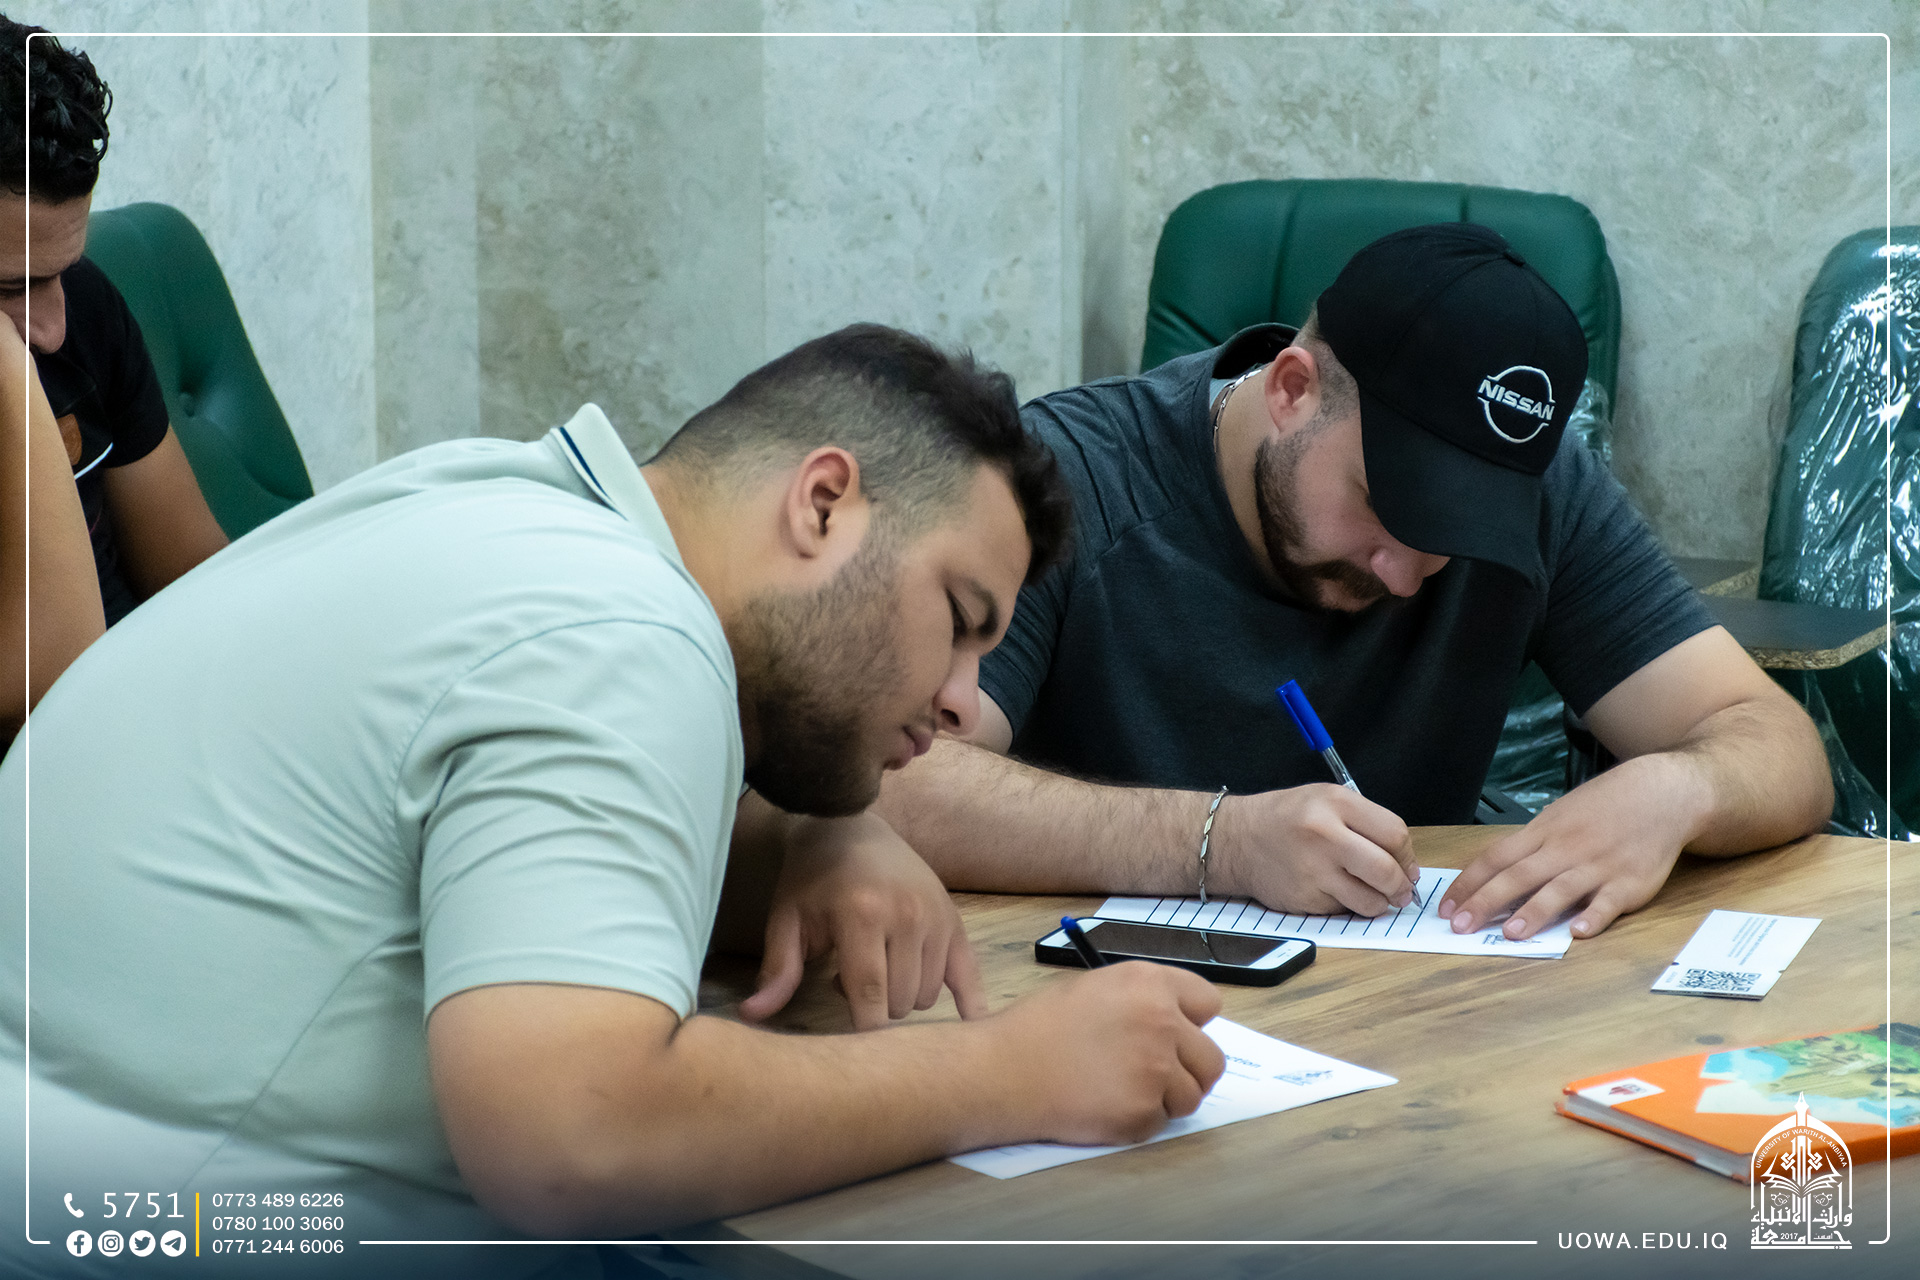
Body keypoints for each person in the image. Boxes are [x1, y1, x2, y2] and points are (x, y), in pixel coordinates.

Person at [0, 324, 1225, 1279]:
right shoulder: (623, 636)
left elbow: (481, 857)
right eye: (958, 619)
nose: (962, 699)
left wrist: (809, 834)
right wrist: (1010, 1069)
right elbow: (570, 1138)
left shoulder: (492, 504)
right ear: (822, 503)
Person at [878, 223, 1831, 944]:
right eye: (1389, 506)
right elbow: (890, 786)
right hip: (1087, 1019)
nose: (1409, 572)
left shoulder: (1540, 494)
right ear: (1291, 389)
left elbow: (1777, 743)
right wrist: (1218, 843)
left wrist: (1676, 789)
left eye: (1459, 535)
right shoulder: (1069, 480)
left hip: (1410, 1025)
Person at [0, 17, 228, 736]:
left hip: (159, 720)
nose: (53, 327)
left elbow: (201, 580)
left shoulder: (84, 307)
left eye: (60, 271)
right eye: (10, 287)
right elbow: (45, 683)